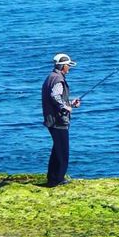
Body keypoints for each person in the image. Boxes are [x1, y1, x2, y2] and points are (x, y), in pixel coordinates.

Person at [42, 53, 81, 187]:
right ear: (63, 66)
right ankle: (58, 179)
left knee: (57, 150)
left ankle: (52, 178)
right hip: (58, 121)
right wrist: (66, 107)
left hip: (52, 119)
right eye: (68, 66)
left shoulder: (51, 77)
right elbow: (55, 96)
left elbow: (57, 98)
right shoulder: (58, 79)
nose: (69, 68)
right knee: (63, 152)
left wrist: (70, 103)